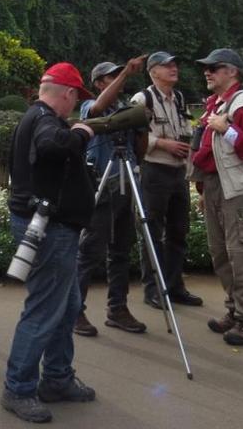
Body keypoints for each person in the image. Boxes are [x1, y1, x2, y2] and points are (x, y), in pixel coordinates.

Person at [1, 62, 98, 423]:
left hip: (50, 226)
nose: (74, 107)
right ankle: (18, 387)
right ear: (68, 93)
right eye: (75, 99)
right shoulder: (46, 120)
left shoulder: (36, 116)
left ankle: (57, 377)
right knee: (44, 309)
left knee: (67, 304)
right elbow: (51, 147)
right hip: (49, 228)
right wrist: (82, 134)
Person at [190, 48, 243, 346]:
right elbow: (209, 154)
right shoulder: (218, 103)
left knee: (242, 256)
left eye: (215, 67)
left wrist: (227, 130)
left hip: (237, 191)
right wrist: (204, 190)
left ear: (232, 72)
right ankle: (236, 311)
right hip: (216, 188)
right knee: (221, 254)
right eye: (206, 67)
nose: (207, 72)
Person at [73, 56, 148, 337]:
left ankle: (117, 309)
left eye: (119, 73)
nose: (119, 78)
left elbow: (140, 149)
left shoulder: (128, 109)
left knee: (121, 250)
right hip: (101, 186)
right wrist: (127, 72)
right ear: (99, 82)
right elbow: (97, 109)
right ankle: (75, 310)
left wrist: (141, 128)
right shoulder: (89, 105)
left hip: (125, 184)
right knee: (90, 250)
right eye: (112, 75)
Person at [129, 51, 203, 310]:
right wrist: (162, 143)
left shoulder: (179, 98)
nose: (174, 68)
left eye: (175, 64)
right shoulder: (142, 98)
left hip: (178, 173)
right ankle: (153, 289)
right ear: (153, 72)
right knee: (152, 232)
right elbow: (133, 137)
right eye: (167, 65)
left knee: (178, 232)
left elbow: (188, 133)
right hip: (154, 171)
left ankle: (174, 286)